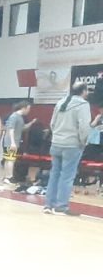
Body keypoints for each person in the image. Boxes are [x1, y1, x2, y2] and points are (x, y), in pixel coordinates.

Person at [44, 82, 92, 215]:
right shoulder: (83, 105)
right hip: (72, 145)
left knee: (54, 174)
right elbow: (84, 127)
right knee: (67, 176)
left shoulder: (60, 102)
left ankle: (48, 205)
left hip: (56, 144)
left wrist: (57, 136)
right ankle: (61, 206)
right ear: (83, 91)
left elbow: (52, 124)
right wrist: (83, 142)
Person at [2, 101, 36, 184]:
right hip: (11, 142)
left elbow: (22, 128)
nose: (29, 111)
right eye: (28, 109)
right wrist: (12, 142)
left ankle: (7, 177)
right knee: (10, 160)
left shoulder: (20, 117)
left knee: (8, 159)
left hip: (13, 141)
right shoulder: (14, 116)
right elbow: (11, 129)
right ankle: (9, 177)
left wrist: (31, 123)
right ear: (23, 108)